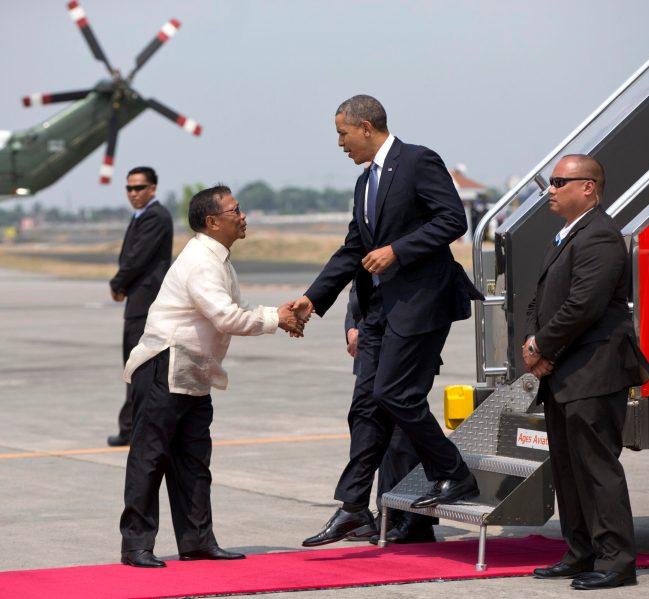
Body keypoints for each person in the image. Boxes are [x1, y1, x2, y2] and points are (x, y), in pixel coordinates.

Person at [292, 94, 483, 548]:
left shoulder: (417, 161)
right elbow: (352, 251)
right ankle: (355, 506)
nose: (340, 143)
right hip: (379, 310)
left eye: (342, 133)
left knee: (395, 393)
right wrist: (311, 299)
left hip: (421, 303)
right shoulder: (365, 184)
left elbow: (453, 220)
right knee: (365, 407)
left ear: (365, 127)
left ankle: (454, 474)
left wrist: (399, 250)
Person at [119, 185, 303, 568]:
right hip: (163, 366)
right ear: (212, 221)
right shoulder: (201, 261)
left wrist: (278, 315)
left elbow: (235, 308)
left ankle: (197, 541)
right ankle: (136, 545)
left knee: (193, 462)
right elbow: (227, 317)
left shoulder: (218, 258)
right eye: (236, 210)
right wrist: (276, 320)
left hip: (193, 371)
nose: (243, 215)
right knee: (149, 459)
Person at [524, 155, 649, 590]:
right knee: (567, 466)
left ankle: (616, 561)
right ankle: (581, 553)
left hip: (593, 371)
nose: (551, 189)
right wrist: (531, 342)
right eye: (551, 181)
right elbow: (542, 299)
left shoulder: (599, 235)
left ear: (589, 188)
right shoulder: (567, 235)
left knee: (596, 467)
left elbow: (585, 306)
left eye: (560, 181)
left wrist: (543, 346)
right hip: (564, 371)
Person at [343, 283, 436, 545]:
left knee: (401, 437)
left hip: (404, 343)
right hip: (372, 346)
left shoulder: (405, 245)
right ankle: (389, 513)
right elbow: (358, 289)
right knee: (376, 433)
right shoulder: (371, 244)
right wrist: (352, 326)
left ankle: (414, 518)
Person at [107, 166, 173, 447]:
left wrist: (117, 284)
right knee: (134, 367)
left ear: (153, 189)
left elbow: (136, 258)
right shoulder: (143, 216)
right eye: (129, 188)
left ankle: (134, 429)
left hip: (145, 303)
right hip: (138, 300)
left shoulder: (155, 217)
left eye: (139, 188)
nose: (133, 193)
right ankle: (131, 426)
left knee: (139, 367)